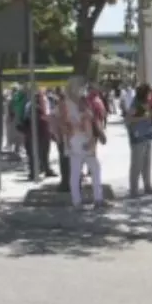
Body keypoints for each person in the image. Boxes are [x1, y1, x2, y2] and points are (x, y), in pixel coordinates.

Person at [60, 79, 105, 209]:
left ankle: (94, 199)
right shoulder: (67, 105)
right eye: (79, 87)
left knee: (93, 168)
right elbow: (64, 124)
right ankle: (80, 201)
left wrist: (92, 137)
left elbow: (91, 120)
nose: (81, 90)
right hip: (76, 139)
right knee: (78, 171)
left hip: (86, 139)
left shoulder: (83, 102)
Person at [125, 84, 152, 197]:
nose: (150, 95)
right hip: (138, 137)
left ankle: (147, 185)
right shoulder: (136, 104)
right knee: (137, 164)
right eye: (148, 93)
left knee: (147, 163)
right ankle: (134, 189)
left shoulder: (147, 104)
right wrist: (143, 118)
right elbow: (128, 120)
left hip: (148, 135)